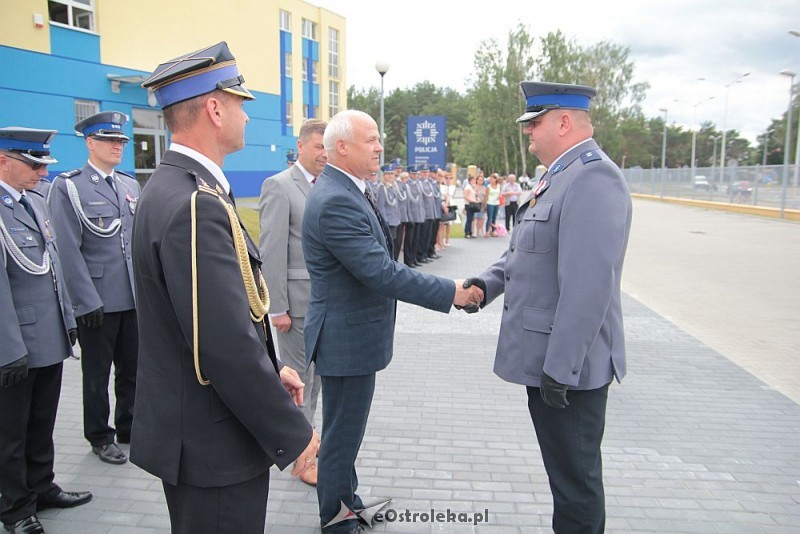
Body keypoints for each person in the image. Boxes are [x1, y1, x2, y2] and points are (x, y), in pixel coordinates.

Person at [132, 42, 317, 533]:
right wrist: (294, 432)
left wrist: (272, 369)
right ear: (214, 108)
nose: (246, 116)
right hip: (213, 439)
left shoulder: (177, 187)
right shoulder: (195, 202)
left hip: (199, 429)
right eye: (239, 103)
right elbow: (223, 345)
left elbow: (220, 318)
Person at [462, 81, 632, 533]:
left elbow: (588, 288)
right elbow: (528, 250)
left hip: (568, 372)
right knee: (566, 481)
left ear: (562, 122)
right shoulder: (561, 173)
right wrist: (486, 283)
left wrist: (560, 369)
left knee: (576, 488)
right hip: (552, 364)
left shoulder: (593, 177)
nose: (528, 133)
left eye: (534, 123)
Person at [301, 110, 482, 534]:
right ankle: (337, 520)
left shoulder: (348, 189)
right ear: (342, 147)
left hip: (351, 336)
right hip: (344, 340)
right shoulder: (336, 200)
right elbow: (380, 271)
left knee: (346, 432)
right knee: (342, 435)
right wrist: (449, 292)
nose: (380, 147)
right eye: (372, 140)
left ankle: (349, 502)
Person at [0, 127, 92, 534]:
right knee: (10, 434)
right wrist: (7, 348)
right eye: (33, 164)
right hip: (15, 344)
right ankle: (15, 508)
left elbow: (53, 266)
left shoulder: (34, 202)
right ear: (3, 160)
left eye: (43, 164)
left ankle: (41, 486)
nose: (41, 172)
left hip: (47, 338)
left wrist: (67, 322)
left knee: (42, 422)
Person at [47, 111, 140, 466]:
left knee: (132, 369)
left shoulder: (129, 185)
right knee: (97, 374)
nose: (117, 147)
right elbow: (67, 250)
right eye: (109, 140)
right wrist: (85, 302)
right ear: (90, 142)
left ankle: (129, 425)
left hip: (130, 298)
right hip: (97, 299)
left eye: (121, 141)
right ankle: (100, 436)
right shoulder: (70, 186)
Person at [258, 118, 327, 487]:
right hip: (296, 306)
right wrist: (277, 308)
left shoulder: (326, 185)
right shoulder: (280, 186)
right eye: (318, 147)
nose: (324, 154)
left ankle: (311, 444)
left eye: (328, 147)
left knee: (317, 383)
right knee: (301, 382)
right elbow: (271, 251)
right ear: (300, 146)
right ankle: (303, 458)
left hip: (325, 304)